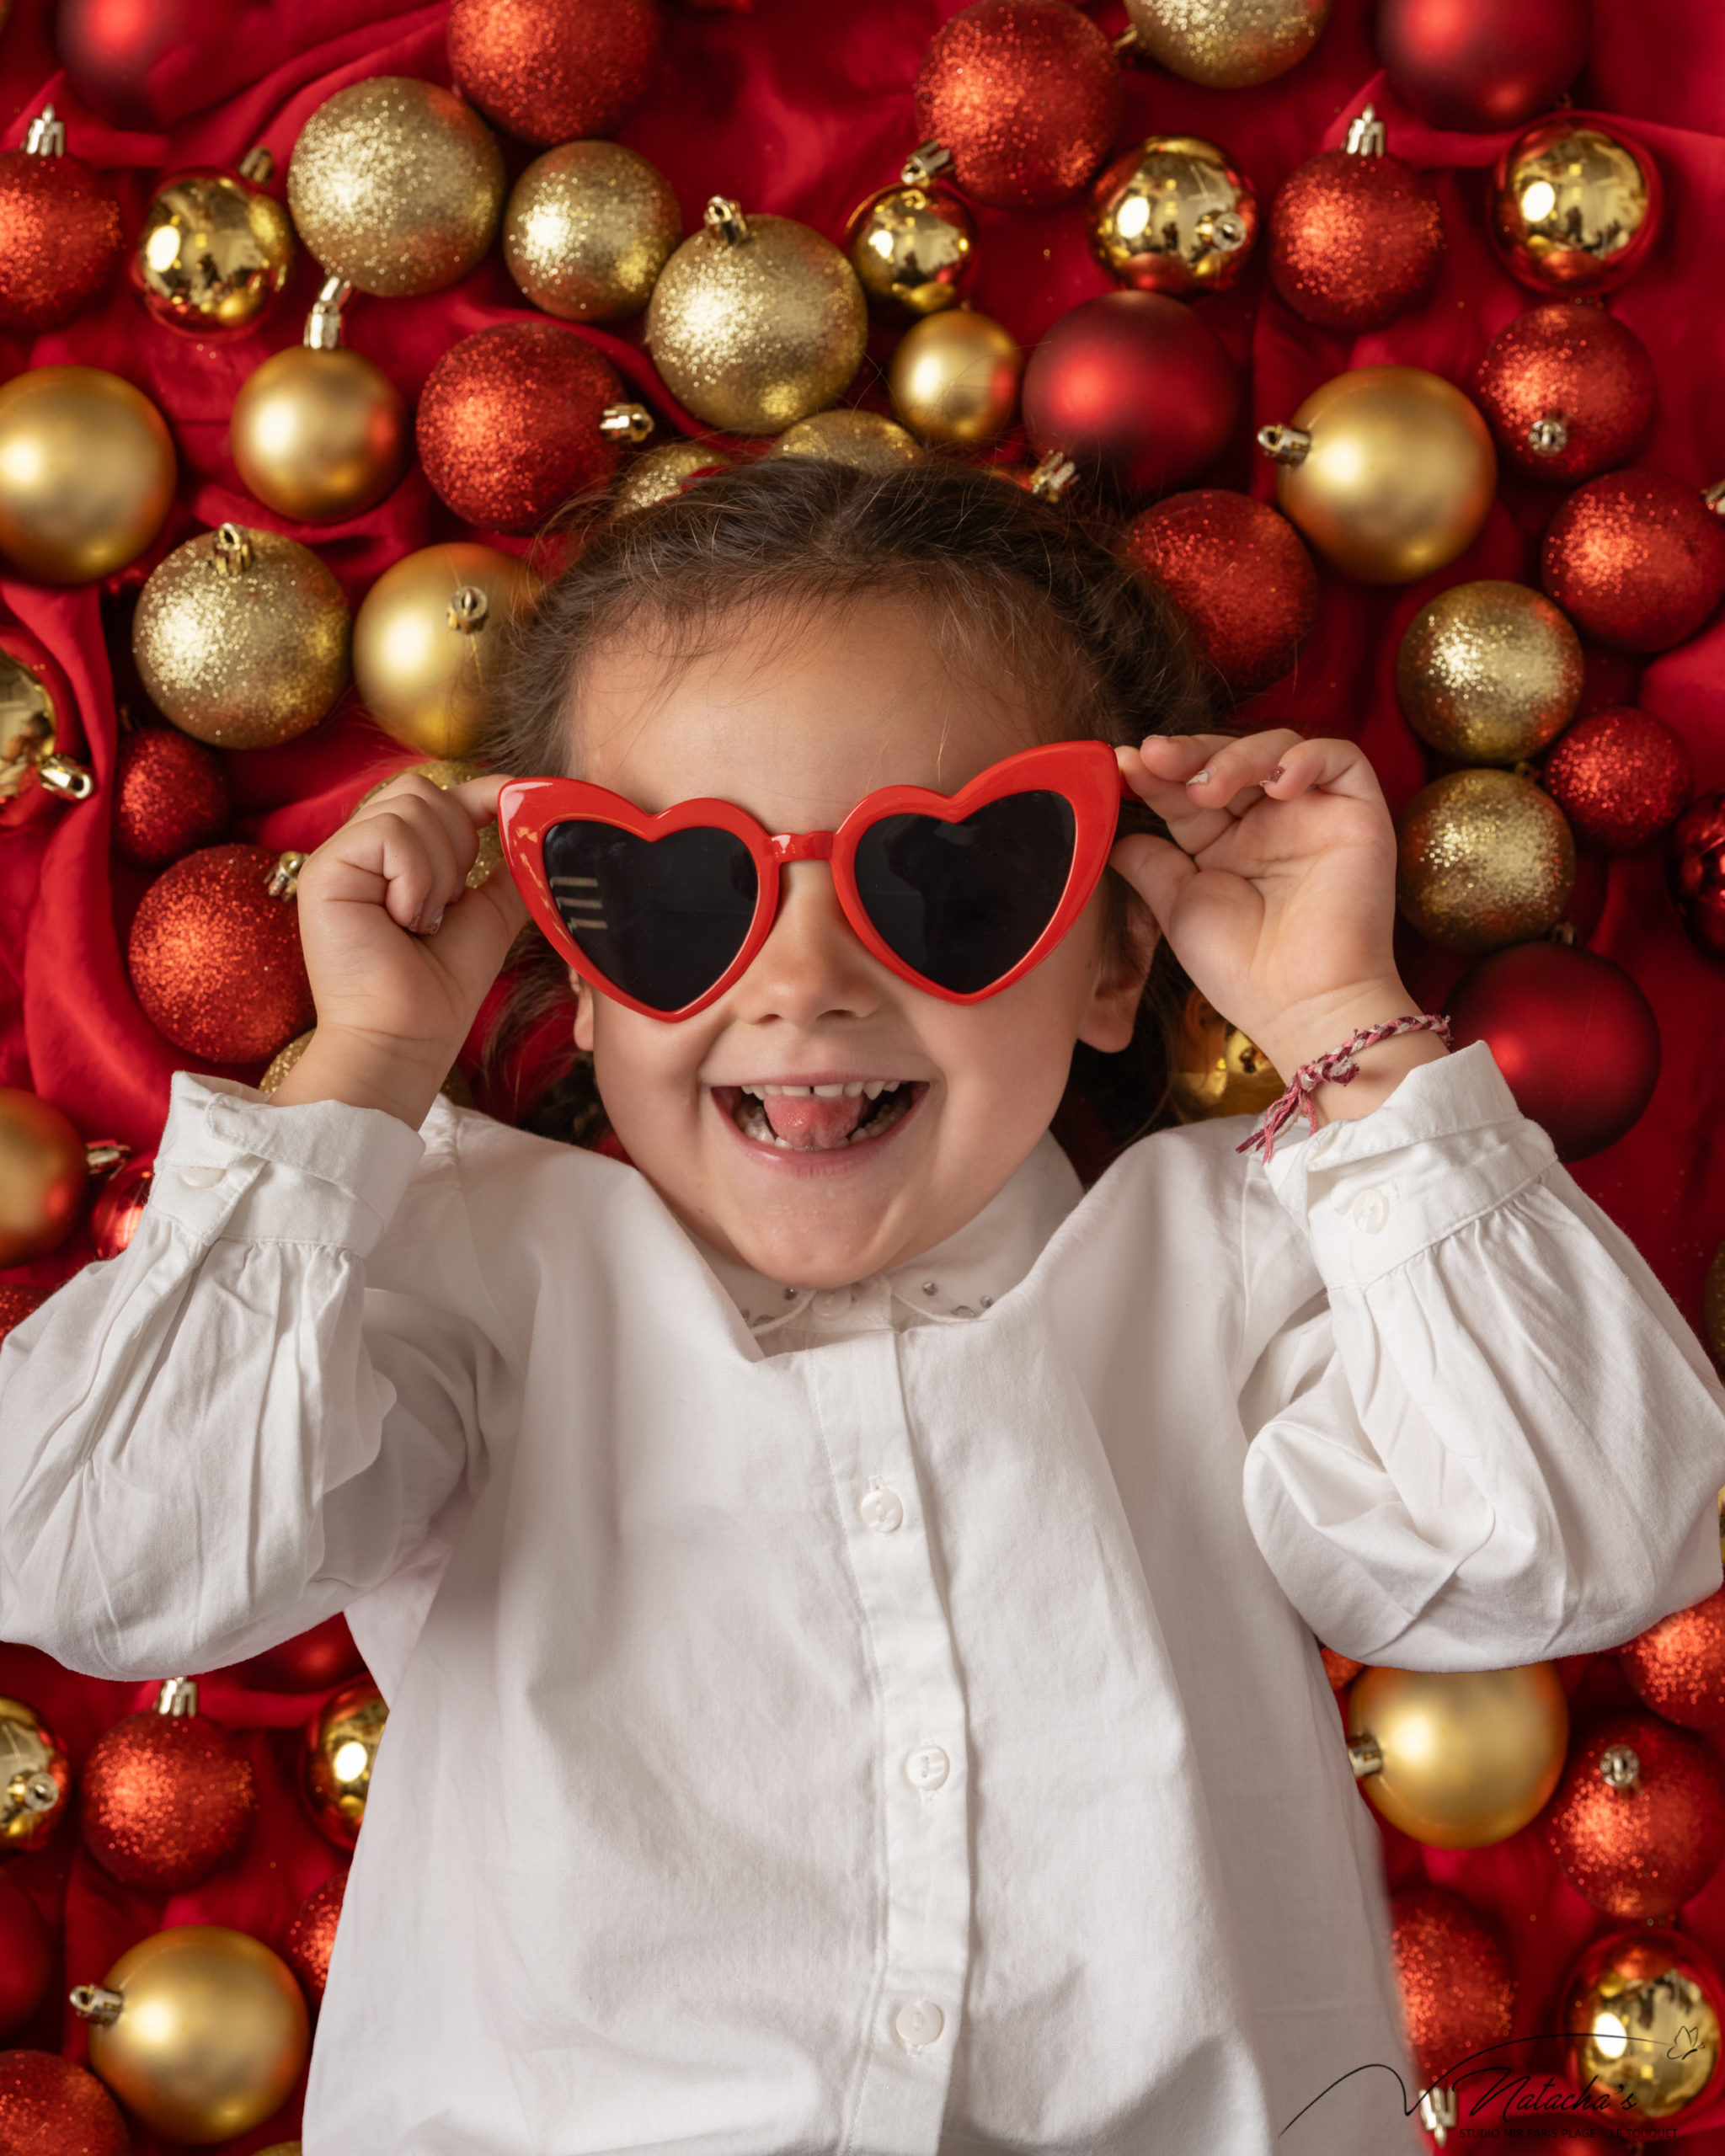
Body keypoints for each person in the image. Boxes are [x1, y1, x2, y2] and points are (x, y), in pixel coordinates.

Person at [3, 460, 1722, 2156]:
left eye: (950, 885)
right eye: (673, 894)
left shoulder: (1254, 1263)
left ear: (1114, 958)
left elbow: (1593, 1531)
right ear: (577, 975)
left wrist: (1342, 1011)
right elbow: (89, 1552)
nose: (805, 983)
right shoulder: (455, 1275)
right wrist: (361, 1073)